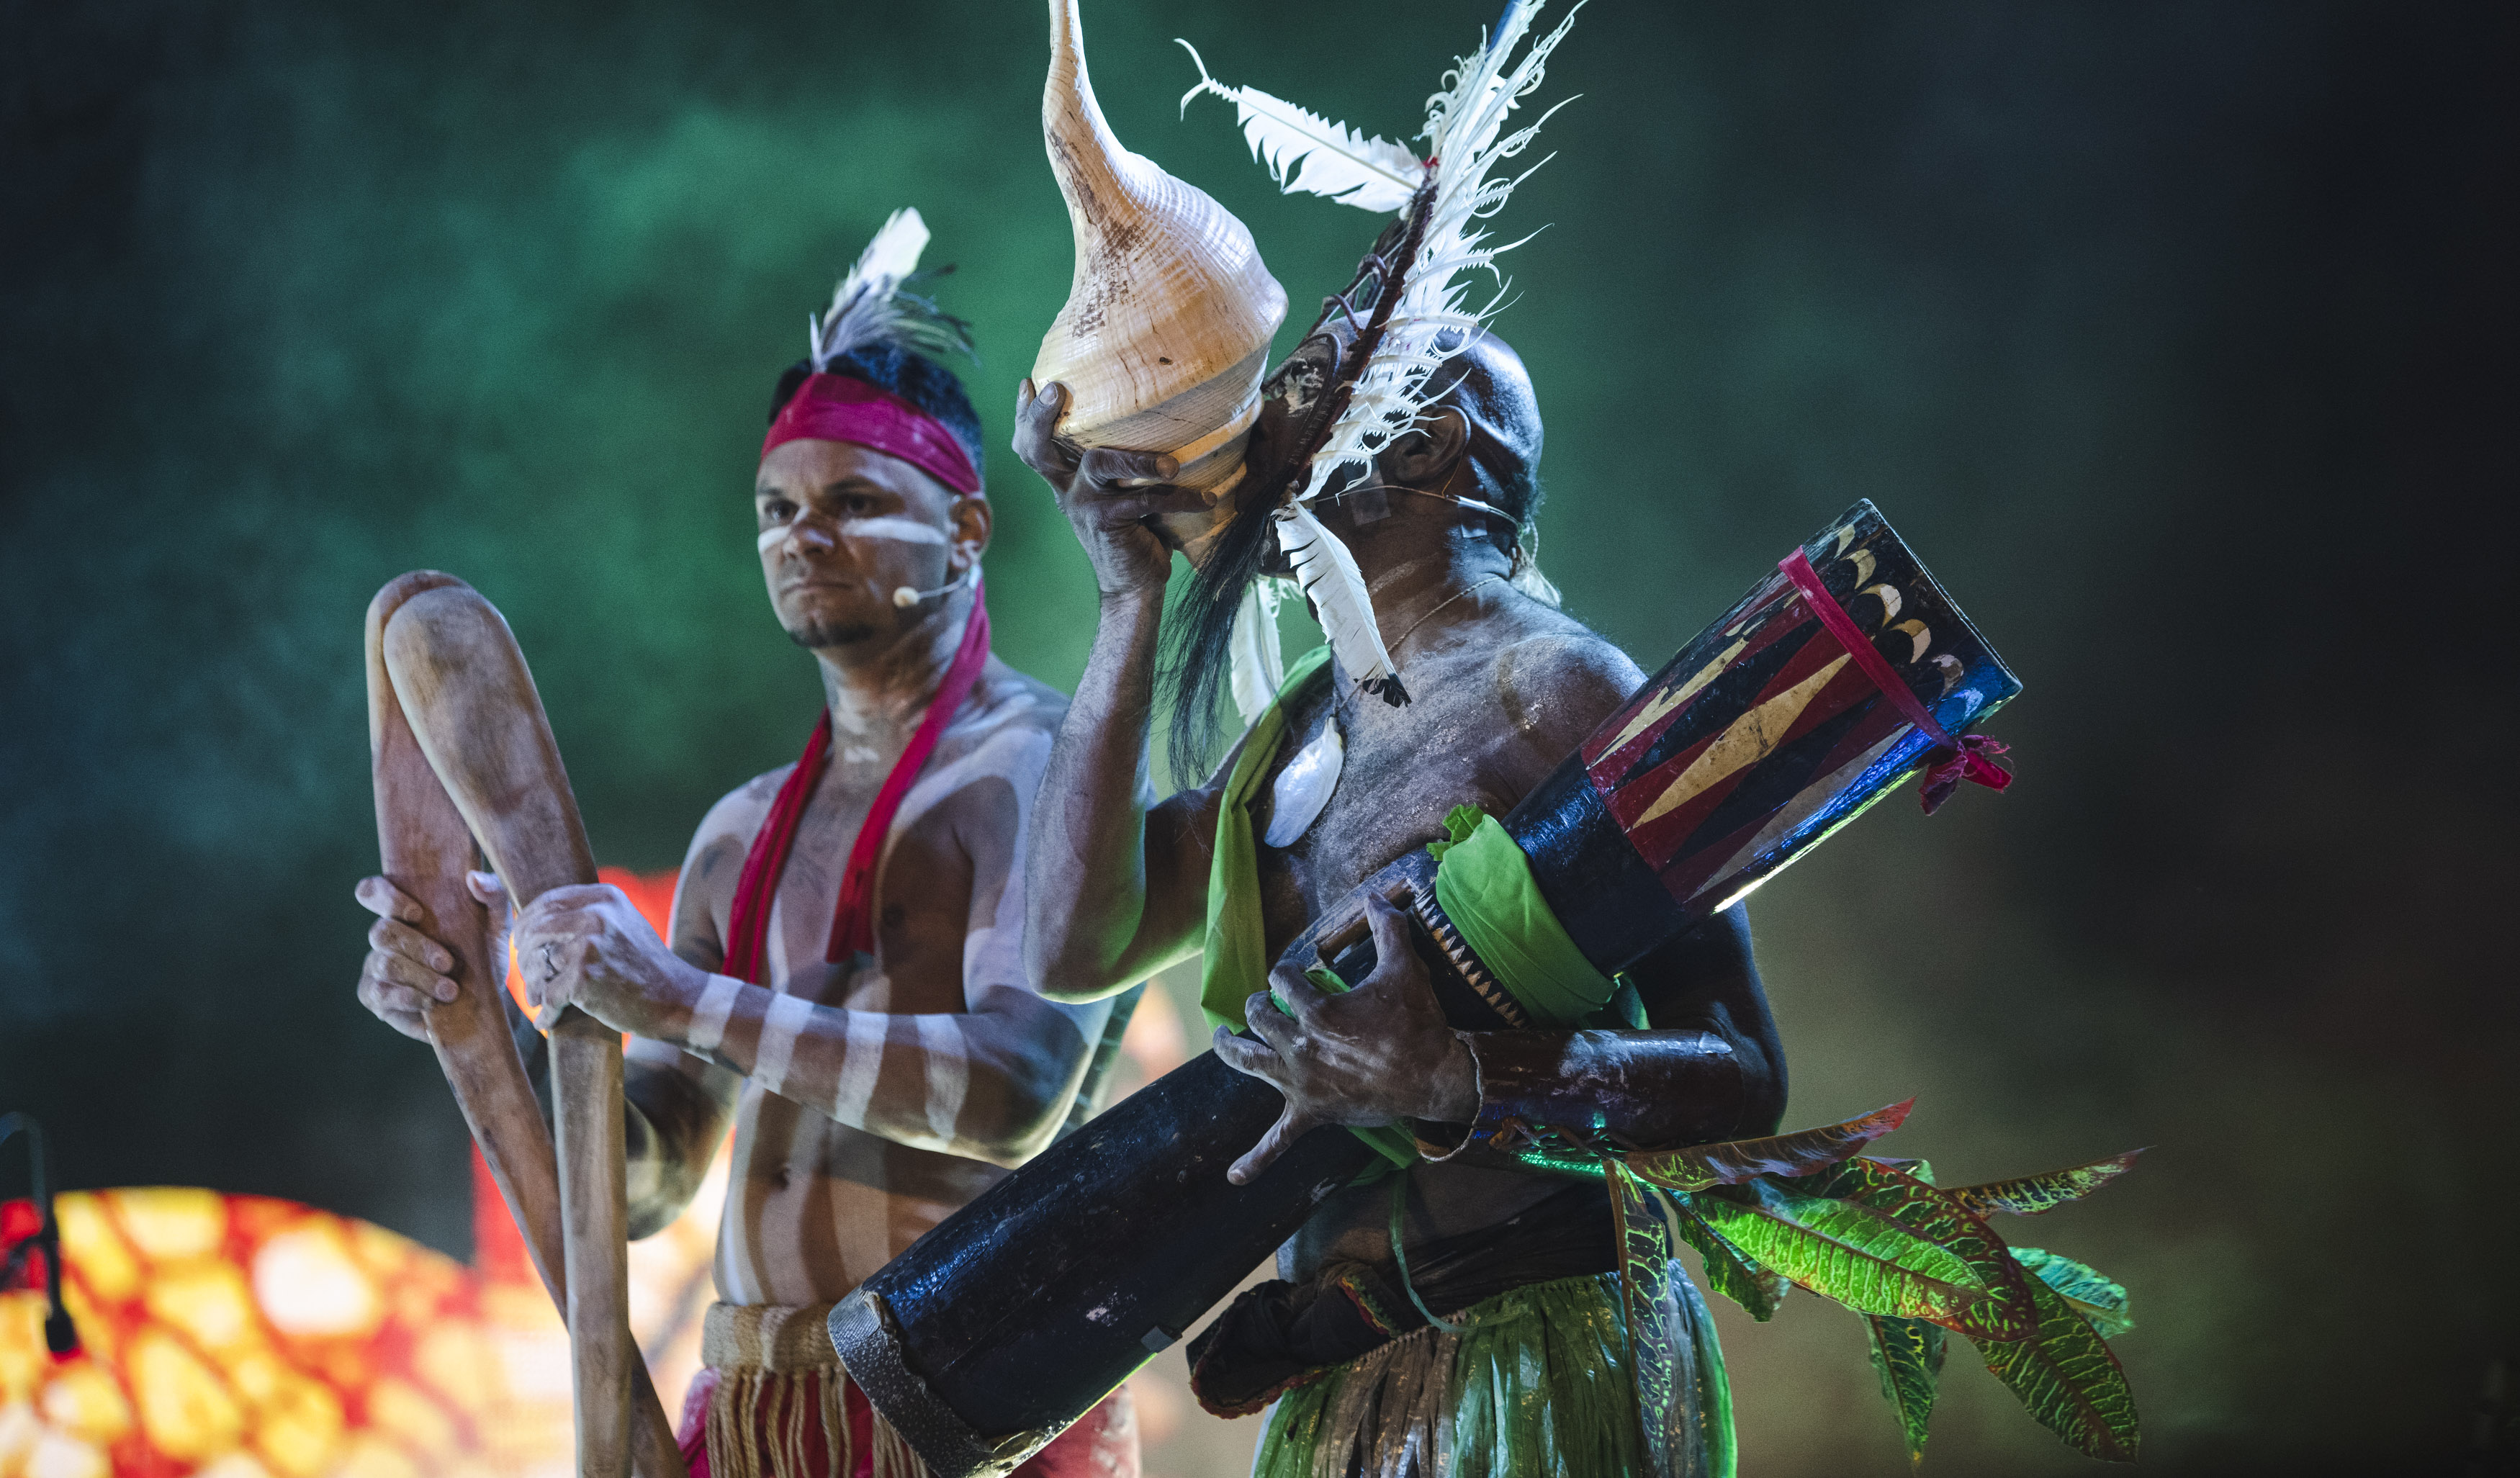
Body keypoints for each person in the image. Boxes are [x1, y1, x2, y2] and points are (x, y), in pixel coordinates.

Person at [354, 212, 1138, 1478]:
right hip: (758, 1415)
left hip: (978, 1410)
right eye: (777, 508)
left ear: (967, 530)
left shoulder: (1047, 764)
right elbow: (646, 1187)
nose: (801, 537)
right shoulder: (741, 831)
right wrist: (498, 1007)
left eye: (854, 502)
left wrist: (674, 995)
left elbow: (1012, 1095)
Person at [1014, 317, 1788, 1477]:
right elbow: (1074, 945)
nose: (1251, 419)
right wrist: (1129, 599)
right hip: (1339, 1376)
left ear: (1425, 444)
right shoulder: (1293, 734)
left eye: (1301, 383)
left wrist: (1453, 1076)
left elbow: (1745, 1074)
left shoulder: (1560, 687)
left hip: (1539, 1361)